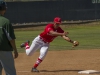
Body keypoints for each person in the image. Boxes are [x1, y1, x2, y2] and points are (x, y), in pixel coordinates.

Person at [0, 1, 18, 75]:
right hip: (4, 49)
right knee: (10, 71)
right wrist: (15, 50)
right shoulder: (5, 21)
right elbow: (11, 39)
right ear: (3, 8)